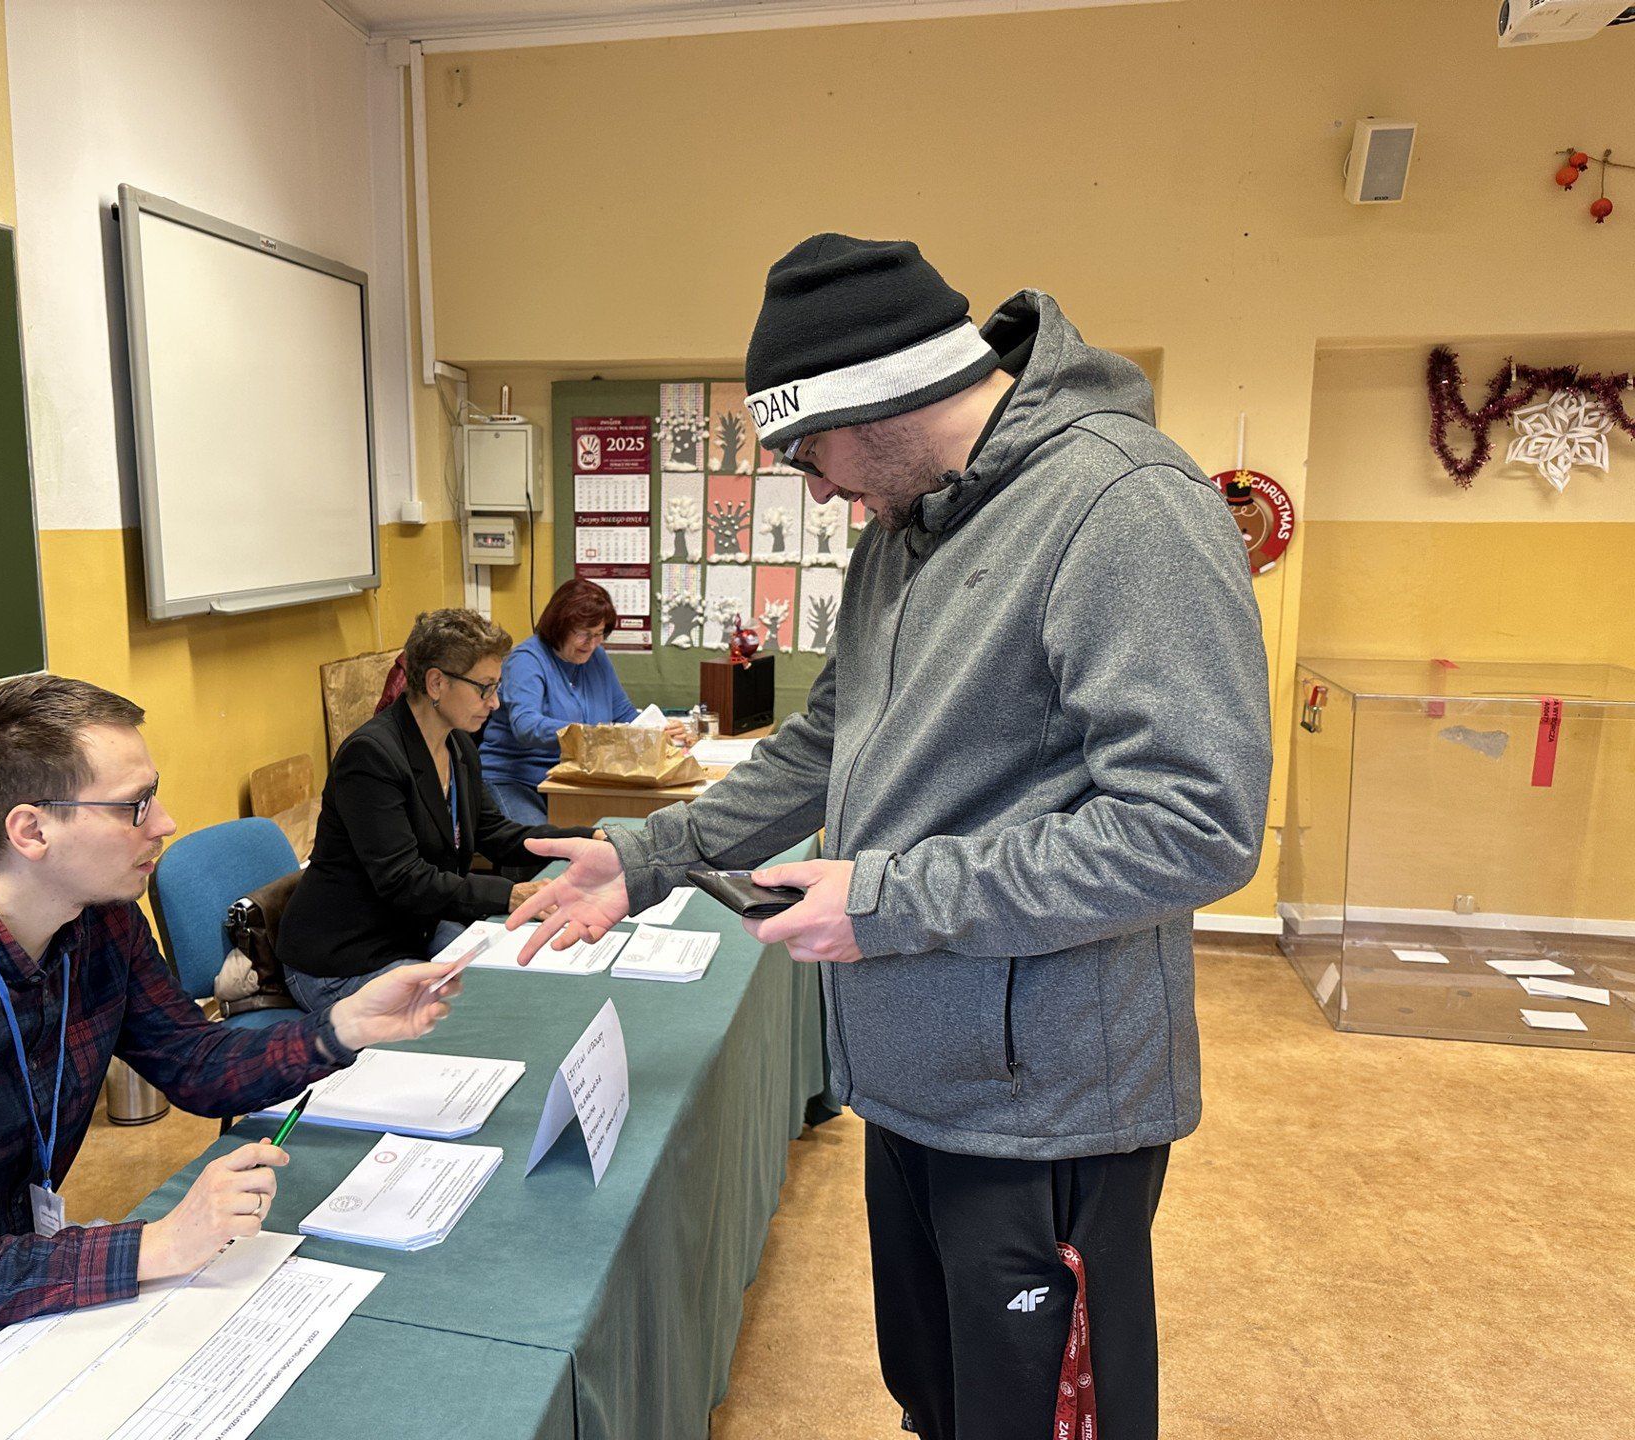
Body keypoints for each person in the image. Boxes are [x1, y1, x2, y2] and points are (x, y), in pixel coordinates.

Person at [511, 235, 1273, 1440]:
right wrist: (648, 854)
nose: (813, 490)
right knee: (943, 1398)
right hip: (913, 1078)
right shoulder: (906, 528)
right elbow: (828, 738)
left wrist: (886, 901)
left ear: (883, 395)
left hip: (1047, 1104)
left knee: (1036, 1419)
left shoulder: (1124, 507)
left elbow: (1196, 825)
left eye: (809, 452)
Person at [0, 676, 461, 1440]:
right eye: (134, 805)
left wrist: (339, 1027)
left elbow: (197, 1064)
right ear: (31, 831)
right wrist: (157, 1244)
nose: (165, 823)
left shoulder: (99, 922)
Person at [277, 608, 593, 1010]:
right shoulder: (371, 756)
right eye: (484, 688)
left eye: (497, 687)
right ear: (436, 683)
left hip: (411, 930)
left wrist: (589, 839)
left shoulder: (457, 744)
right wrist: (511, 894)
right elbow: (404, 879)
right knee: (467, 1012)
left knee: (520, 975)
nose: (495, 703)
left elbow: (494, 832)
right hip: (343, 957)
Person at [477, 577, 685, 826]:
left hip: (571, 779)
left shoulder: (595, 656)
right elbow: (526, 726)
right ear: (559, 627)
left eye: (599, 635)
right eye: (584, 635)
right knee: (537, 846)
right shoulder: (527, 660)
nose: (593, 644)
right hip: (515, 779)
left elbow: (623, 714)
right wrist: (590, 735)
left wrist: (660, 730)